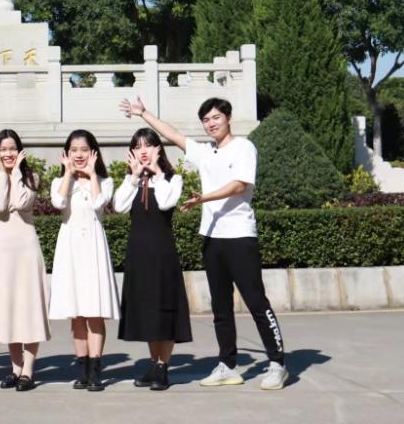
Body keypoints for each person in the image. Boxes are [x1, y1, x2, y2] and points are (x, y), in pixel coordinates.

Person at [120, 96, 288, 390]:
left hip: (240, 236)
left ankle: (277, 363)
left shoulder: (244, 147)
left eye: (216, 117)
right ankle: (228, 366)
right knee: (220, 308)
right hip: (212, 237)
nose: (211, 124)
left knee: (256, 302)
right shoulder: (205, 151)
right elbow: (173, 135)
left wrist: (204, 198)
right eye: (206, 120)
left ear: (228, 118)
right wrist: (144, 113)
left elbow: (240, 184)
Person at [113, 128, 191, 391]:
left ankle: (162, 366)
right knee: (148, 311)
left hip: (162, 254)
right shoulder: (133, 181)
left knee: (164, 310)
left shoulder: (172, 179)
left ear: (158, 149)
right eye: (137, 147)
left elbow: (167, 202)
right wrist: (134, 176)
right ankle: (154, 363)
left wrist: (157, 172)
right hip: (138, 255)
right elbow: (119, 206)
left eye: (147, 145)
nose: (143, 151)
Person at [48, 129, 119, 392]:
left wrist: (91, 176)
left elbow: (99, 204)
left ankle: (96, 370)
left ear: (93, 153)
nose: (79, 155)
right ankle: (83, 368)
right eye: (74, 150)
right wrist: (68, 173)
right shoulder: (60, 181)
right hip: (69, 248)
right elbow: (58, 202)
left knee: (94, 311)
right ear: (67, 153)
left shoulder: (104, 181)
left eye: (84, 150)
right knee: (76, 312)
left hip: (93, 247)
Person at [0, 129, 50, 392]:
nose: (8, 153)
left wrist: (17, 174)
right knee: (9, 309)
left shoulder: (31, 177)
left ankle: (28, 371)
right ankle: (15, 368)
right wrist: (3, 173)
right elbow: (0, 205)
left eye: (12, 148)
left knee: (28, 308)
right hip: (3, 251)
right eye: (3, 149)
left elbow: (21, 202)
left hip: (26, 250)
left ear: (20, 151)